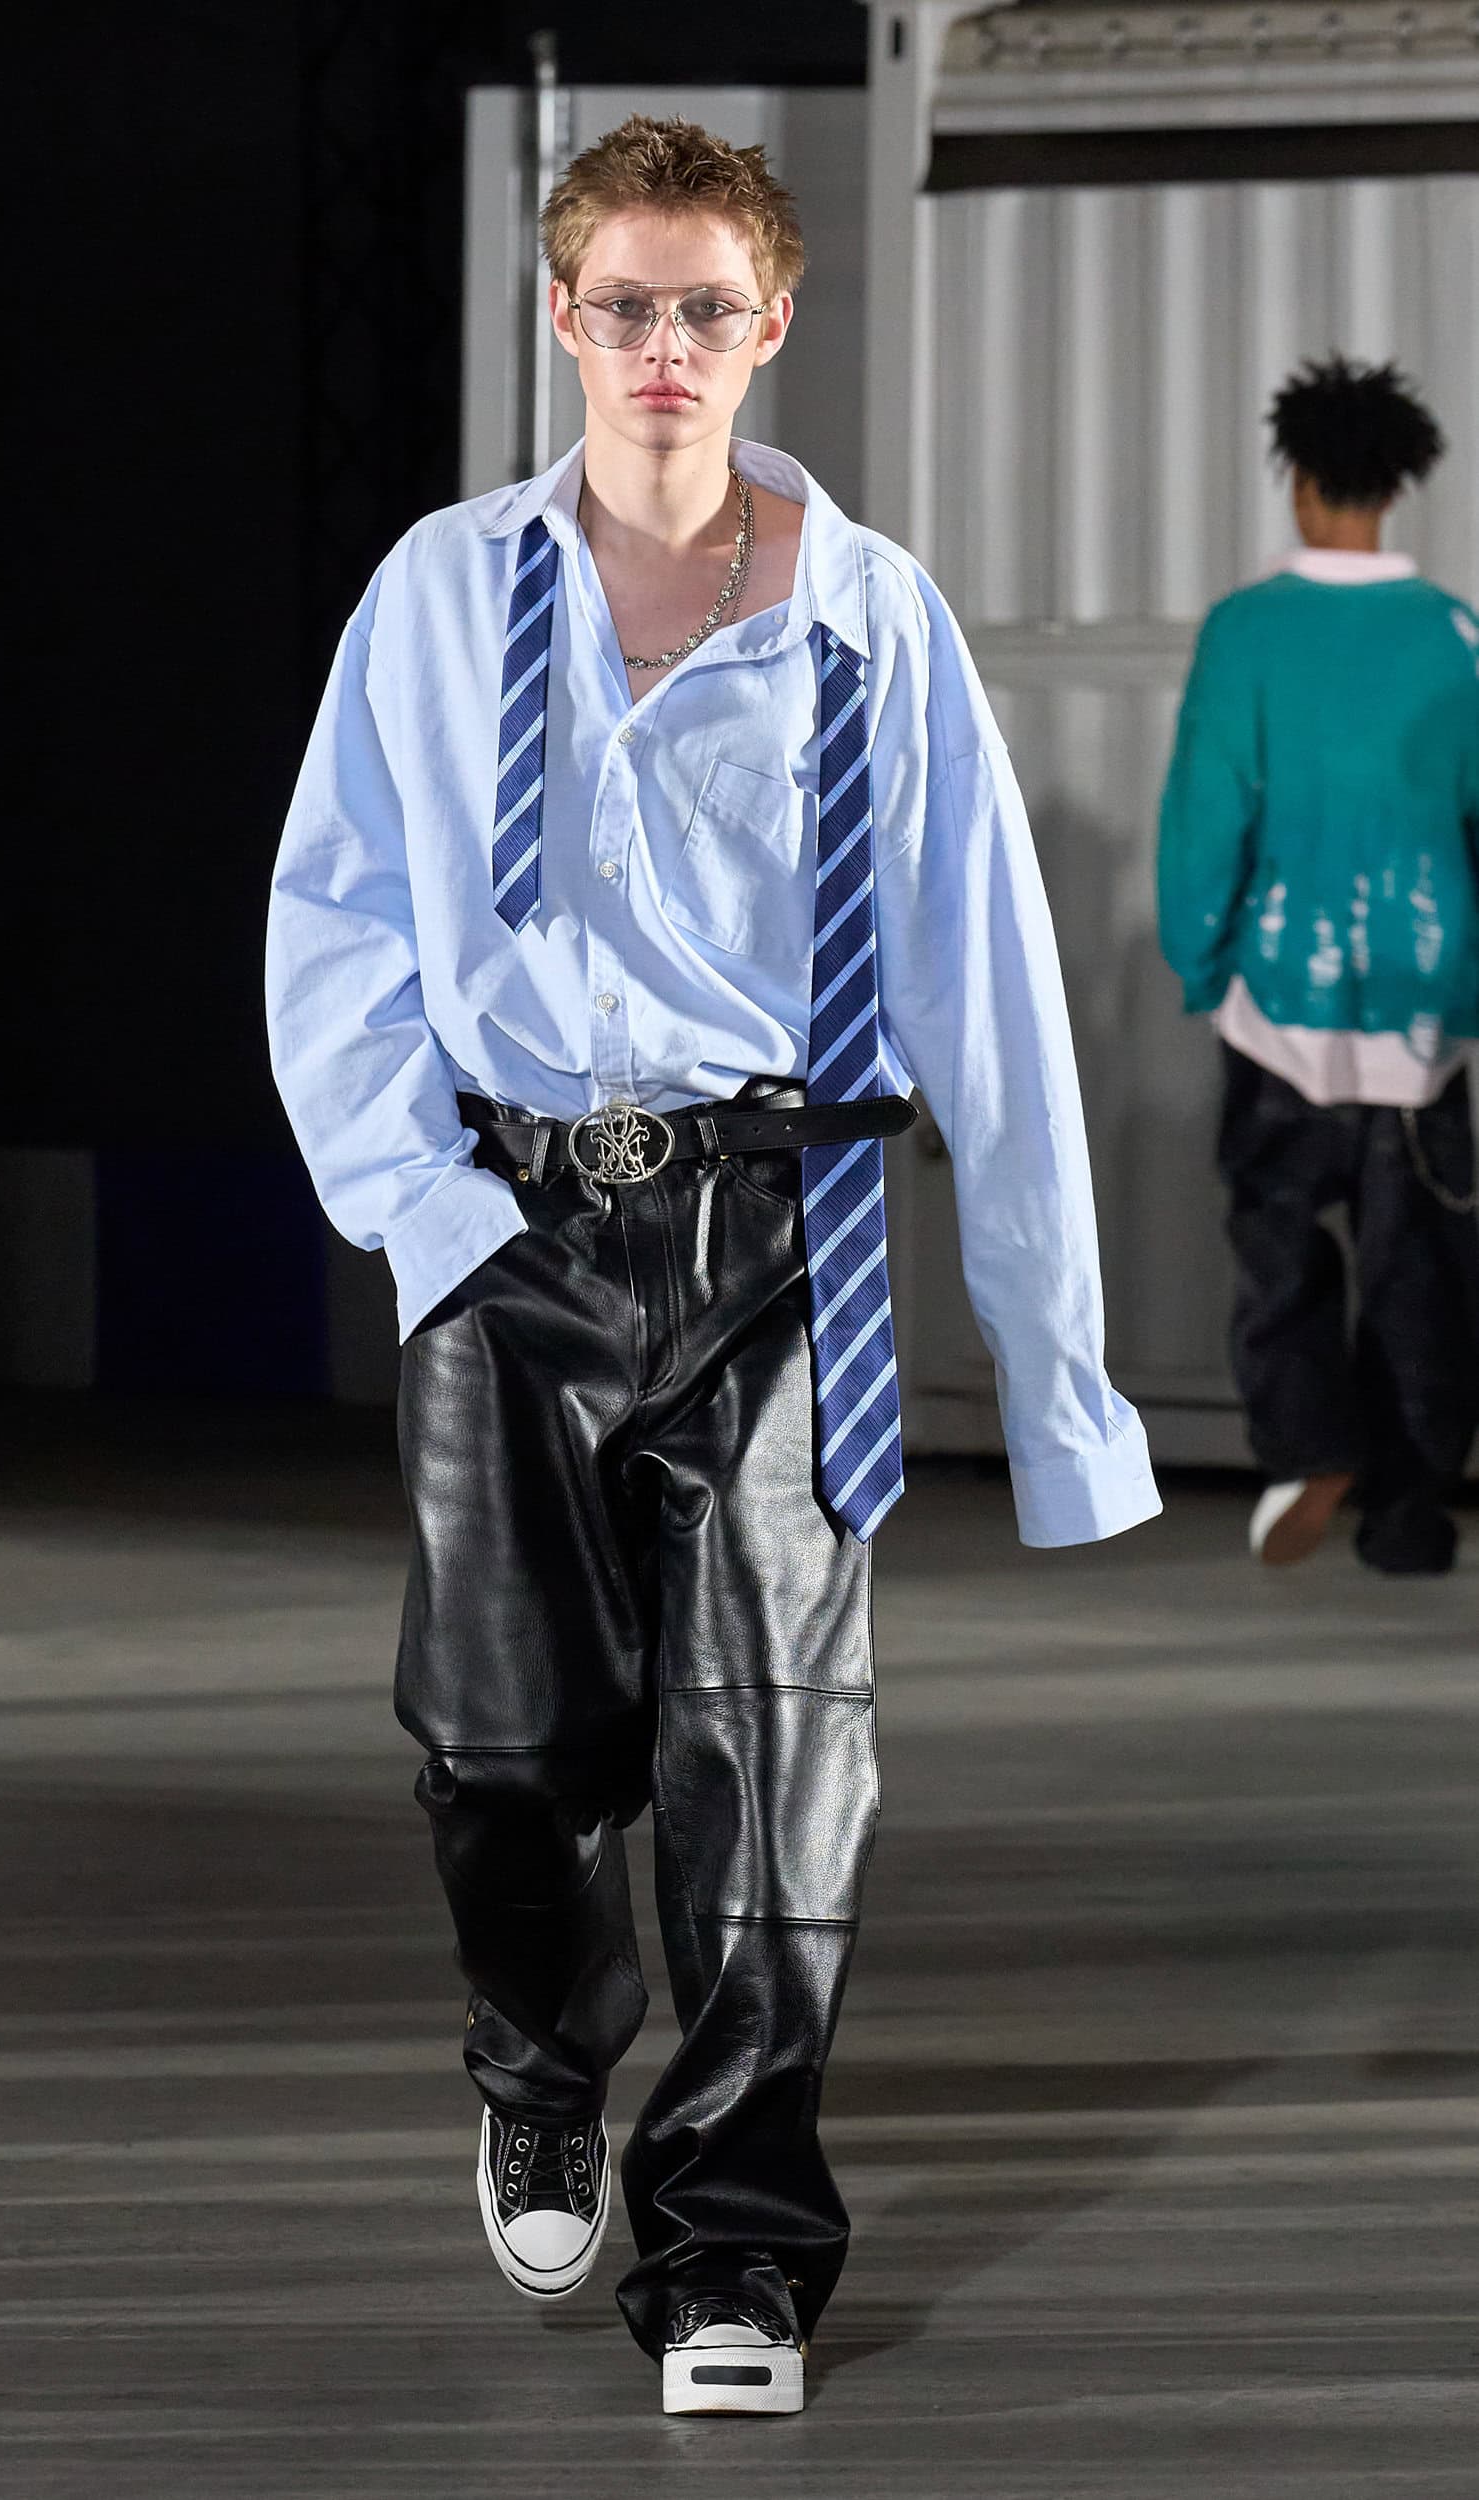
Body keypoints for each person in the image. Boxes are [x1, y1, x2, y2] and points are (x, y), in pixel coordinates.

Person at [266, 114, 1158, 2418]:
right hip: (506, 1225)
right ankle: (542, 2046)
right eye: (621, 304)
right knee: (495, 1745)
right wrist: (432, 1219)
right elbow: (336, 928)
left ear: (770, 321)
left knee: (771, 1764)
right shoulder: (439, 595)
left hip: (785, 1239)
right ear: (561, 317)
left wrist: (1055, 1388)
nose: (661, 344)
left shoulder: (870, 617)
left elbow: (983, 988)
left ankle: (736, 2245)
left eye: (704, 307)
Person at [1159, 354, 1479, 1575]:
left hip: (1278, 1003)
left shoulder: (1245, 631)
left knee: (1280, 1249)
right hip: (1422, 1010)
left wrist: (1203, 962)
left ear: (1296, 481)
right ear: (1394, 488)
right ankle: (1409, 1510)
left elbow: (1206, 822)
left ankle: (1304, 1450)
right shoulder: (1453, 636)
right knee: (1421, 1271)